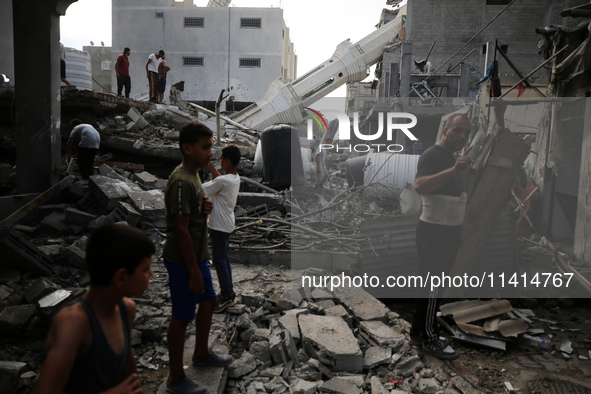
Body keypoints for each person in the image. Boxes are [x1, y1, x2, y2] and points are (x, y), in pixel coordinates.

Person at [33, 223, 155, 394]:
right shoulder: (74, 323)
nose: (152, 274)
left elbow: (127, 362)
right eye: (146, 268)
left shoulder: (127, 309)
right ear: (121, 277)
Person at [162, 122, 234, 394]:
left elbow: (190, 215)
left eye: (211, 146)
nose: (210, 152)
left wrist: (203, 208)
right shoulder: (181, 180)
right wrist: (193, 271)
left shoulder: (194, 176)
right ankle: (175, 379)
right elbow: (180, 230)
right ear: (187, 148)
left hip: (197, 257)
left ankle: (201, 354)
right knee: (181, 316)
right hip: (183, 260)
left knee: (210, 301)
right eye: (205, 147)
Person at [410, 113, 472, 360]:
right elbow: (420, 185)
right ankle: (429, 337)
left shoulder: (450, 158)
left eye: (466, 132)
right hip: (435, 233)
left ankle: (419, 332)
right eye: (458, 130)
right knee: (432, 287)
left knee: (434, 286)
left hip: (447, 233)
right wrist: (454, 169)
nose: (463, 136)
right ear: (445, 130)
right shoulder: (433, 156)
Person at [203, 146, 241, 313]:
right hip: (226, 224)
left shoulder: (222, 182)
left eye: (221, 159)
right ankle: (229, 293)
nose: (219, 162)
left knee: (219, 261)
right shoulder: (234, 178)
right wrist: (209, 164)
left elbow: (200, 189)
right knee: (224, 260)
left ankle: (227, 295)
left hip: (218, 226)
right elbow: (219, 180)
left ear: (227, 161)